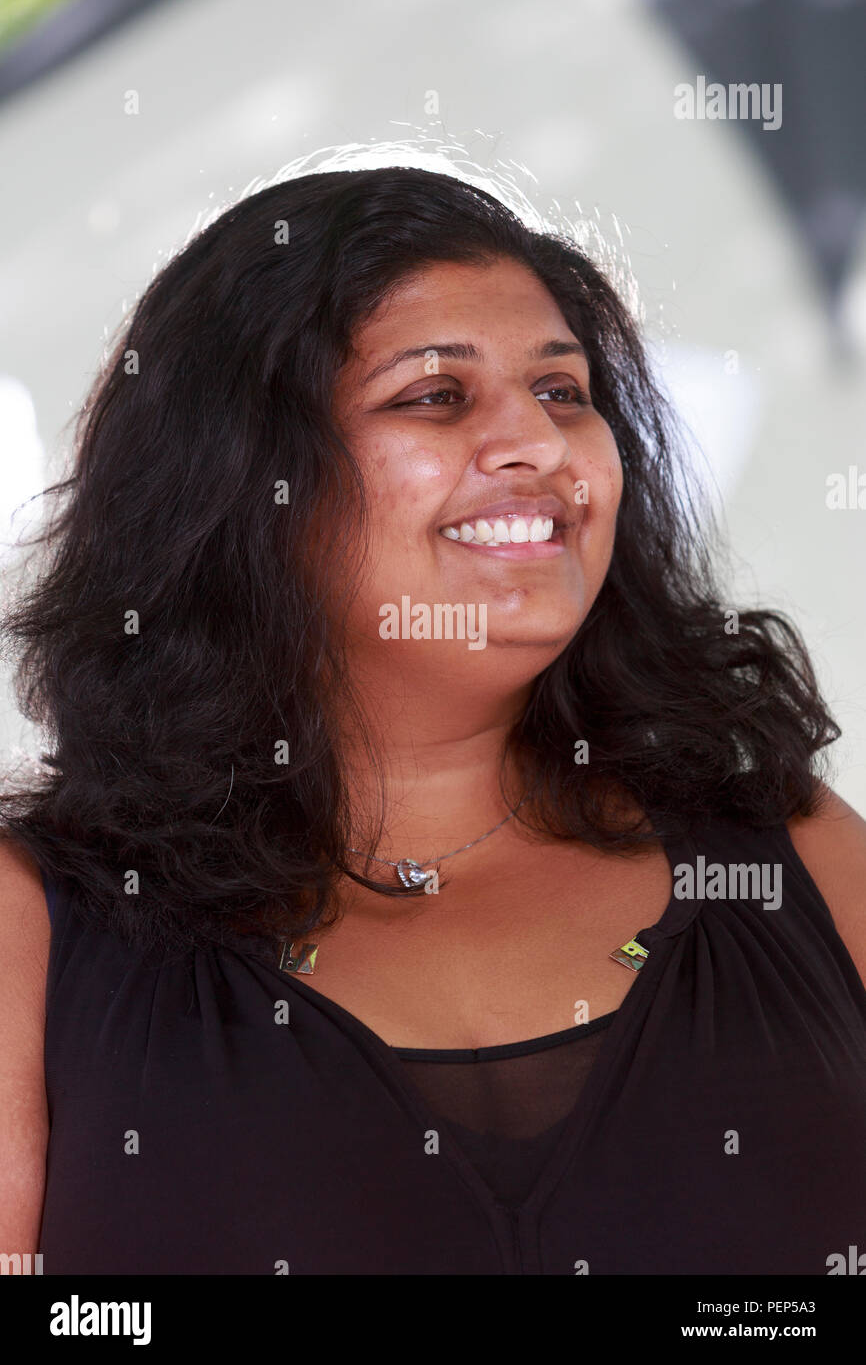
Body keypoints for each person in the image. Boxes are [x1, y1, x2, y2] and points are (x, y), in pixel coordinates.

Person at [1, 165, 864, 1275]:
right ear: (240, 484)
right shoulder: (41, 927)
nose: (542, 447)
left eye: (563, 391)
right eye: (433, 397)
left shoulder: (781, 843)